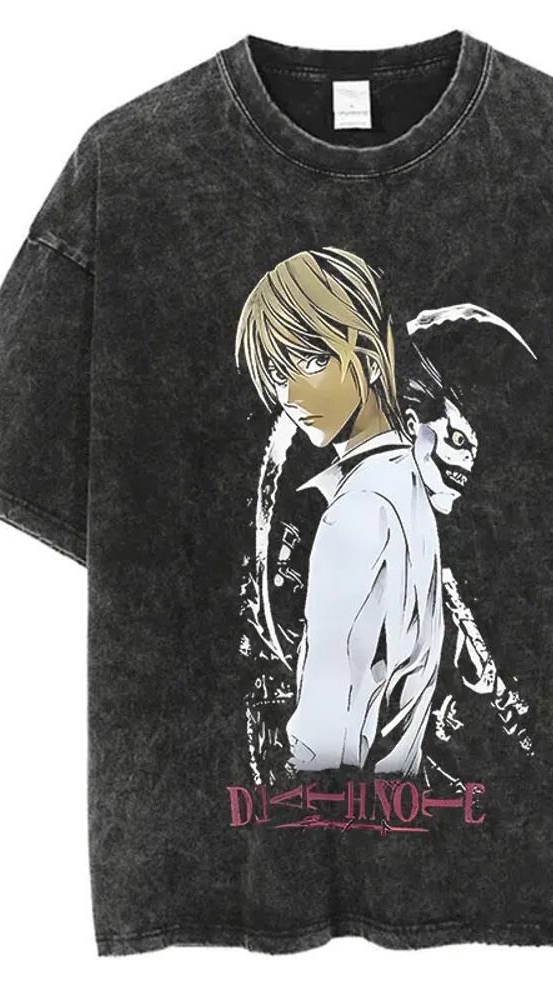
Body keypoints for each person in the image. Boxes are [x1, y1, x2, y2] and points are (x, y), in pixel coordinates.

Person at [234, 247, 444, 776]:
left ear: (370, 357)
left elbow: (328, 732)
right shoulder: (405, 481)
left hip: (337, 805)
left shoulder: (358, 511)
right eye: (276, 371)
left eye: (310, 360)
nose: (288, 393)